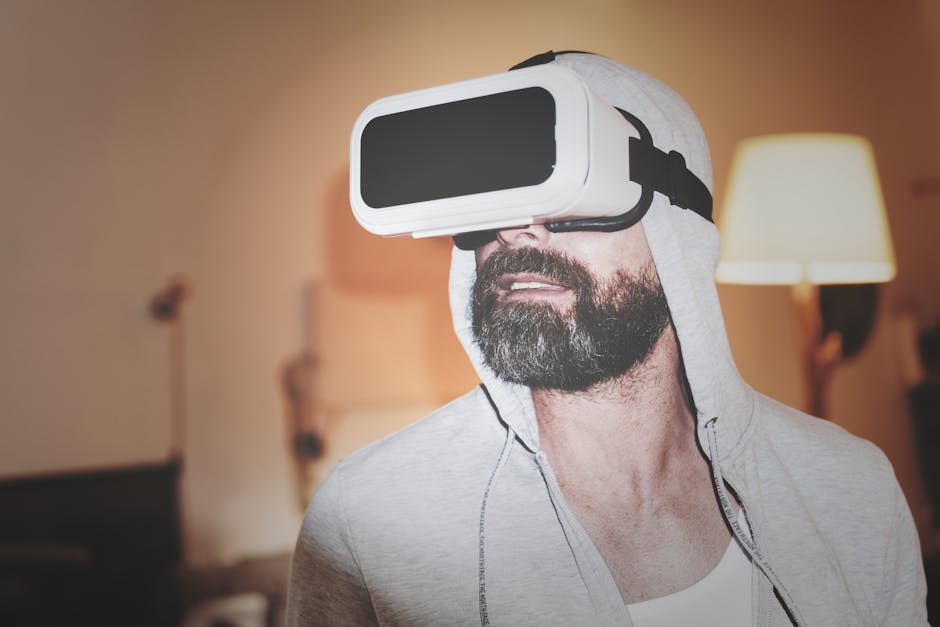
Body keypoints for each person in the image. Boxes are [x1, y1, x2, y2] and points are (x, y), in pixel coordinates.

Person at [287, 52, 928, 626]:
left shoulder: (853, 490)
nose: (518, 232)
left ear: (678, 232)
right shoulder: (366, 521)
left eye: (575, 188)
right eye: (498, 195)